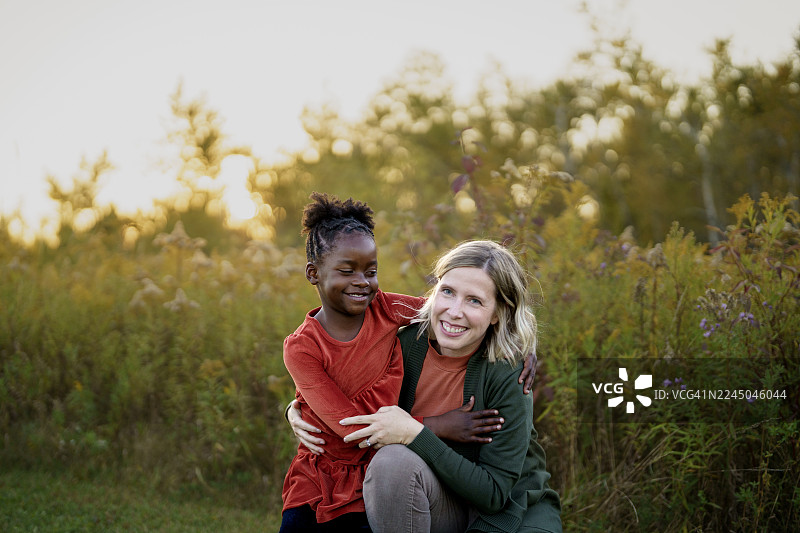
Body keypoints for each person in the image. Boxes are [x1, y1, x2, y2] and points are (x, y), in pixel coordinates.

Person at [280, 195, 520, 531]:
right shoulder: (302, 348)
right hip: (321, 474)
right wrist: (435, 425)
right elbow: (349, 427)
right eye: (347, 271)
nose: (362, 281)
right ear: (313, 273)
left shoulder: (385, 309)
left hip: (376, 471)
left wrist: (520, 345)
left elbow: (450, 315)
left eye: (371, 271)